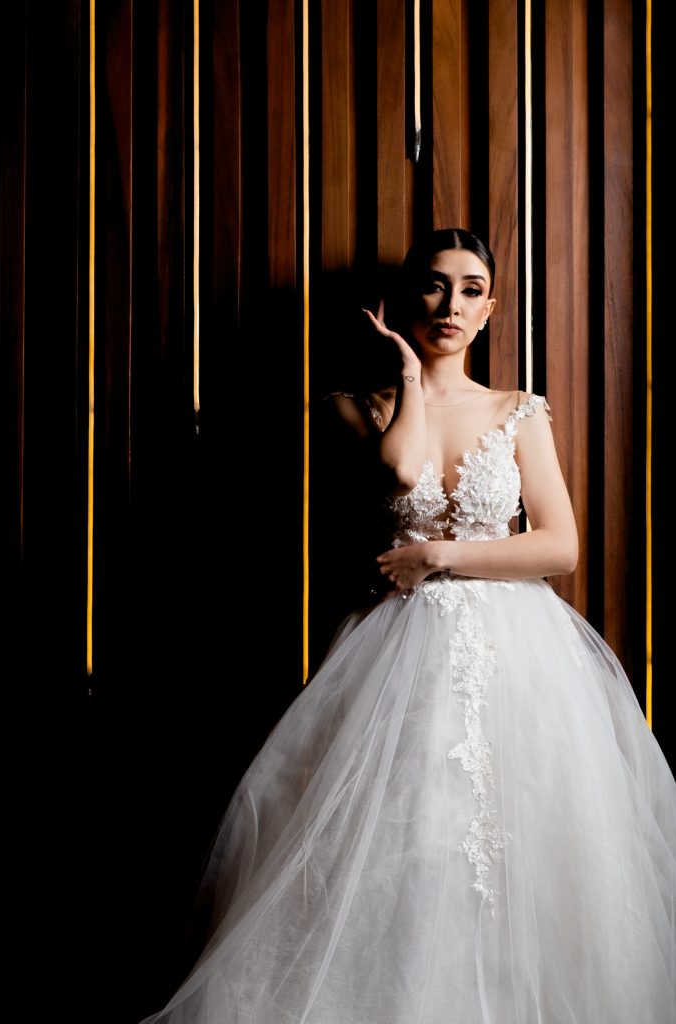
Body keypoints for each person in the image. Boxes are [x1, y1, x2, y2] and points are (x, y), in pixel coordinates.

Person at [141, 228, 676, 1023]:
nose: (450, 305)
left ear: (489, 309)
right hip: (399, 650)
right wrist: (406, 374)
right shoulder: (356, 409)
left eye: (469, 290)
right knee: (414, 840)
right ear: (401, 301)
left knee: (524, 841)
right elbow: (401, 469)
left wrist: (438, 554)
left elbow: (558, 546)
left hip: (520, 655)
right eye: (433, 286)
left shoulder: (519, 411)